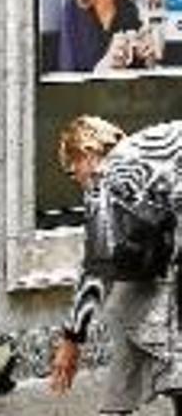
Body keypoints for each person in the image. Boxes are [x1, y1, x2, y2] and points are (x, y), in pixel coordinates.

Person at [50, 115, 182, 415]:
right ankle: (118, 405)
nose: (79, 182)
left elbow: (96, 264)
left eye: (73, 172)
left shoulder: (107, 175)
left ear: (86, 152)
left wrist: (71, 340)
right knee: (133, 299)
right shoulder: (145, 149)